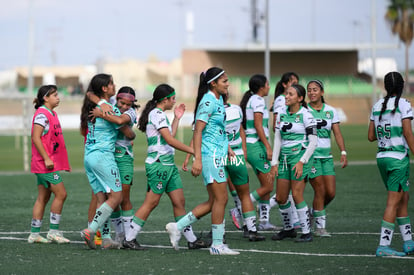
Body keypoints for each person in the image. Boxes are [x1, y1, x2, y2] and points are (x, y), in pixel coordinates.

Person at [122, 84, 207, 250]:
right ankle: (129, 238)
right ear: (164, 99)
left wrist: (176, 118)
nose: (174, 101)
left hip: (168, 166)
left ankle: (192, 240)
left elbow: (169, 136)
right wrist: (194, 151)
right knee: (151, 202)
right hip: (159, 165)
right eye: (172, 98)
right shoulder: (156, 114)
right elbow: (170, 140)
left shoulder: (160, 115)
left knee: (179, 202)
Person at [166, 67, 240, 255]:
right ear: (213, 83)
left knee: (214, 200)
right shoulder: (208, 101)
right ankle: (217, 245)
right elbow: (198, 131)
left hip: (218, 154)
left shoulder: (217, 100)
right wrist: (197, 159)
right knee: (221, 198)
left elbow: (218, 129)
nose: (228, 83)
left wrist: (229, 149)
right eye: (224, 81)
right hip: (210, 156)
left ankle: (178, 226)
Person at [80, 74, 136, 249]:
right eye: (111, 84)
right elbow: (129, 133)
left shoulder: (94, 104)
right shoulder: (110, 109)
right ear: (104, 88)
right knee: (116, 196)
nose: (114, 86)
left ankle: (103, 239)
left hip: (89, 155)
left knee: (101, 197)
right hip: (103, 156)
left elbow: (89, 93)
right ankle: (91, 230)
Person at [368, 71, 414, 257]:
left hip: (382, 158)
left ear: (386, 87)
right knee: (393, 202)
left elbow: (371, 136)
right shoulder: (404, 105)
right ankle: (383, 246)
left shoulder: (377, 105)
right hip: (398, 159)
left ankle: (409, 242)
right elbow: (408, 133)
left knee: (403, 199)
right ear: (402, 86)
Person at [271, 84, 317, 242]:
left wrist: (302, 162)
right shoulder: (282, 113)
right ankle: (289, 229)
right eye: (286, 93)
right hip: (284, 158)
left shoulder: (306, 115)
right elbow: (277, 138)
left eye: (291, 94)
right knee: (281, 197)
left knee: (297, 194)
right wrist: (274, 162)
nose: (287, 96)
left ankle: (306, 232)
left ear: (300, 98)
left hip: (300, 157)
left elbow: (313, 142)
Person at [28, 85, 71, 244]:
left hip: (44, 164)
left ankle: (34, 234)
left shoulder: (51, 113)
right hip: (43, 164)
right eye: (55, 95)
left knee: (43, 197)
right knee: (61, 194)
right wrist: (46, 158)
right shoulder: (42, 114)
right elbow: (36, 137)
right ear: (46, 98)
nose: (58, 97)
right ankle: (53, 232)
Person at [307, 80, 348, 237]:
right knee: (320, 190)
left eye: (315, 90)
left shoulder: (330, 111)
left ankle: (313, 212)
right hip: (311, 157)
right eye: (309, 90)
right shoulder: (304, 111)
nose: (311, 92)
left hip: (327, 157)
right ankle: (320, 228)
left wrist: (343, 152)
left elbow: (337, 133)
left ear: (322, 92)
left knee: (330, 193)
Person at [223, 92, 265, 241]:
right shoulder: (236, 109)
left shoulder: (211, 112)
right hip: (237, 156)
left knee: (218, 198)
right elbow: (241, 129)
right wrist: (244, 151)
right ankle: (252, 230)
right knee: (245, 195)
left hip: (219, 158)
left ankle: (218, 232)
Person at [239, 74, 276, 231]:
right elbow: (258, 125)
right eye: (267, 84)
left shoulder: (253, 100)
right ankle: (240, 209)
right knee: (268, 186)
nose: (269, 87)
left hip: (255, 146)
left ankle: (264, 221)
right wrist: (268, 147)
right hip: (256, 146)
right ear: (262, 87)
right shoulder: (258, 101)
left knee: (265, 185)